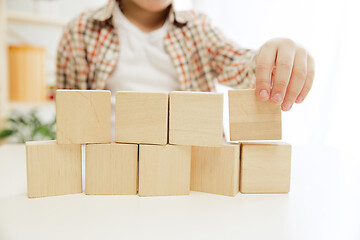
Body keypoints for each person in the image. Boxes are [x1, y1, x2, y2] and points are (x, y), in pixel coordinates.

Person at [56, 0, 314, 112]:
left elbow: (240, 64)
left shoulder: (199, 29)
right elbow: (73, 121)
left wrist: (270, 58)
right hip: (110, 169)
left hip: (191, 172)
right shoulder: (80, 30)